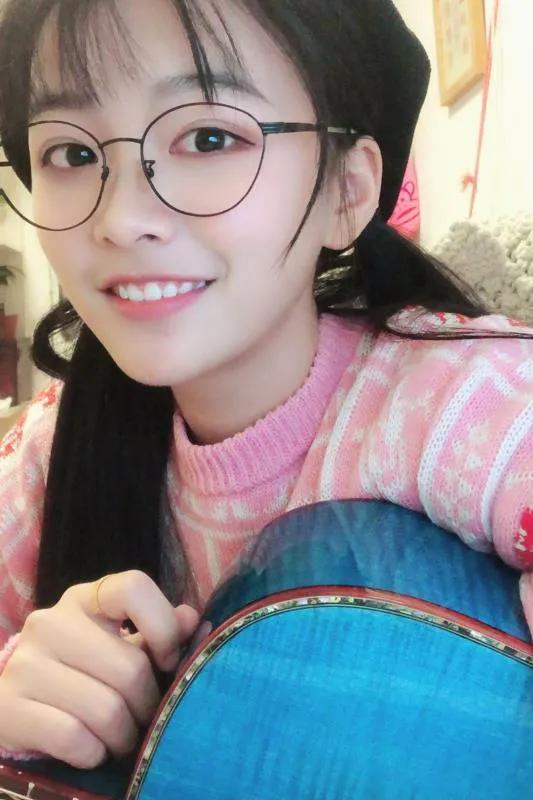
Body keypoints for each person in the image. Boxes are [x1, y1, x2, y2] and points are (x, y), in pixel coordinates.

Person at [0, 0, 532, 771]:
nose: (119, 219)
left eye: (208, 138)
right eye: (72, 152)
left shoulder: (462, 410)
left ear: (346, 190)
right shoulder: (46, 460)